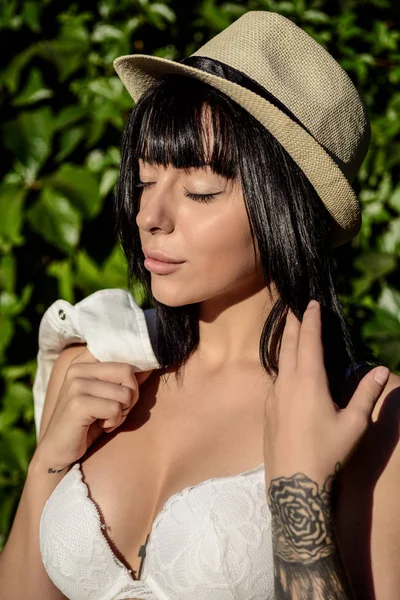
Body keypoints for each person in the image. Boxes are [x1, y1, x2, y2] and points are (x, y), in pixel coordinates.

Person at [0, 9, 399, 600]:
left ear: (284, 210)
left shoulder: (366, 416)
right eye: (144, 180)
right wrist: (46, 472)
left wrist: (300, 493)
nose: (148, 217)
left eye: (199, 191)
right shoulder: (96, 361)